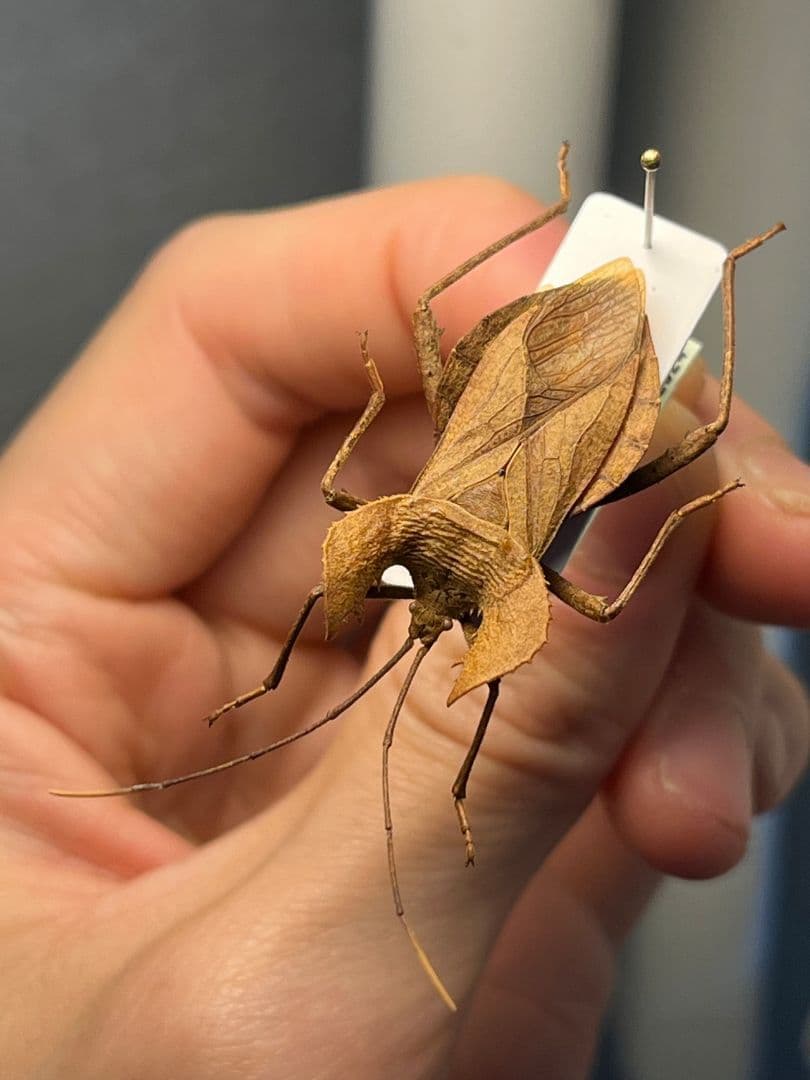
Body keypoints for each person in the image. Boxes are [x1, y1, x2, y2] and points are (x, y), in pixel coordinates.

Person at [0, 177, 807, 1078]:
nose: (430, 623)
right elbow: (348, 499)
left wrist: (392, 402)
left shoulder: (466, 586)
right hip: (568, 417)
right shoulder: (407, 551)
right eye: (445, 618)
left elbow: (561, 620)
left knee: (606, 426)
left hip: (537, 424)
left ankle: (652, 240)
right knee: (669, 429)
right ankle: (712, 260)